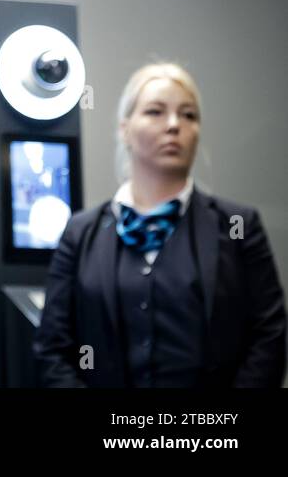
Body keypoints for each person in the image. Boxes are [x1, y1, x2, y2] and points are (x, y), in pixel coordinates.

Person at [34, 62, 286, 387]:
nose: (173, 125)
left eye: (188, 115)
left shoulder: (238, 226)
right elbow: (52, 349)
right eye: (155, 112)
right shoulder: (80, 234)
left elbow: (269, 336)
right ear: (125, 128)